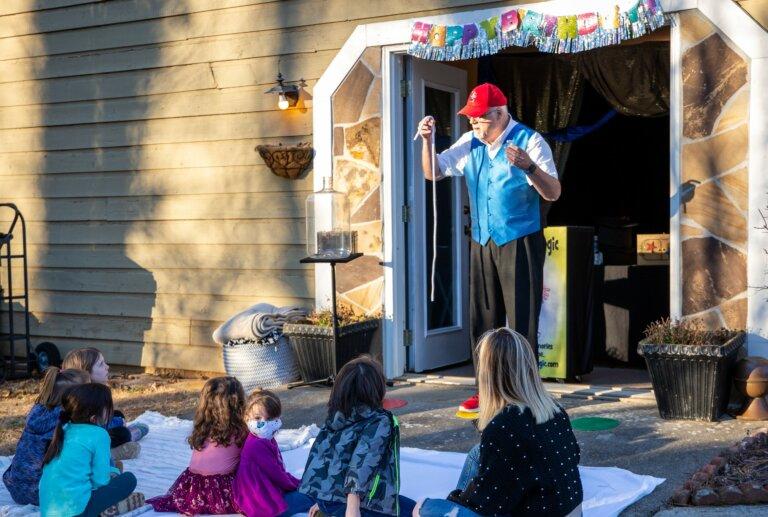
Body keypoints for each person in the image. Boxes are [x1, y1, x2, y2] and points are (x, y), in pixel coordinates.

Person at [418, 83, 561, 413]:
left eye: (479, 119)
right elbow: (433, 172)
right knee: (483, 318)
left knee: (522, 319)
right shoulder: (470, 143)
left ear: (499, 114)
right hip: (483, 241)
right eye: (470, 119)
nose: (473, 125)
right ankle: (487, 391)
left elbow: (553, 192)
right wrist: (427, 141)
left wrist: (529, 167)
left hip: (520, 238)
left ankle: (527, 393)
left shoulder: (530, 140)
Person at [414, 328, 583, 517]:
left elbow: (487, 504)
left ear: (488, 373)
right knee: (477, 453)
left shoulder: (504, 427)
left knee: (423, 509)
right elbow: (573, 456)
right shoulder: (555, 410)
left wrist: (453, 502)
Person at [299, 356, 416, 517]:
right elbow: (361, 465)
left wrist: (323, 498)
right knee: (418, 511)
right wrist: (352, 510)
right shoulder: (379, 421)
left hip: (330, 501)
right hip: (358, 504)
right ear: (377, 389)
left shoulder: (337, 416)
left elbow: (324, 456)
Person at [39, 383, 144, 517]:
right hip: (77, 511)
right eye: (108, 408)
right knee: (129, 479)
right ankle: (110, 508)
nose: (111, 411)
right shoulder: (100, 435)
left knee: (112, 472)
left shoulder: (64, 428)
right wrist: (114, 474)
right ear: (94, 418)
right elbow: (100, 481)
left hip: (48, 511)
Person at [147, 376, 247, 515]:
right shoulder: (241, 431)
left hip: (190, 490)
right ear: (237, 403)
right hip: (220, 494)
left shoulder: (202, 428)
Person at [2, 367, 91, 505]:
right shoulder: (66, 420)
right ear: (75, 398)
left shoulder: (36, 411)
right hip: (44, 492)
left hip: (16, 488)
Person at [233, 389, 313, 517]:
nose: (264, 423)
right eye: (258, 418)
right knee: (313, 496)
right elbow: (278, 475)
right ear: (247, 417)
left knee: (309, 489)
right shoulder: (257, 445)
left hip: (263, 495)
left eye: (269, 418)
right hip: (263, 505)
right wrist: (300, 484)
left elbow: (278, 471)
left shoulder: (262, 438)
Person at [62, 348, 149, 458]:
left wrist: (116, 420)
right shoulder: (82, 400)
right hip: (88, 441)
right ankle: (117, 447)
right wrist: (118, 425)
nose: (107, 367)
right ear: (86, 372)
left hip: (96, 431)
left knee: (118, 414)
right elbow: (93, 431)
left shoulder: (93, 392)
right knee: (123, 433)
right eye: (101, 364)